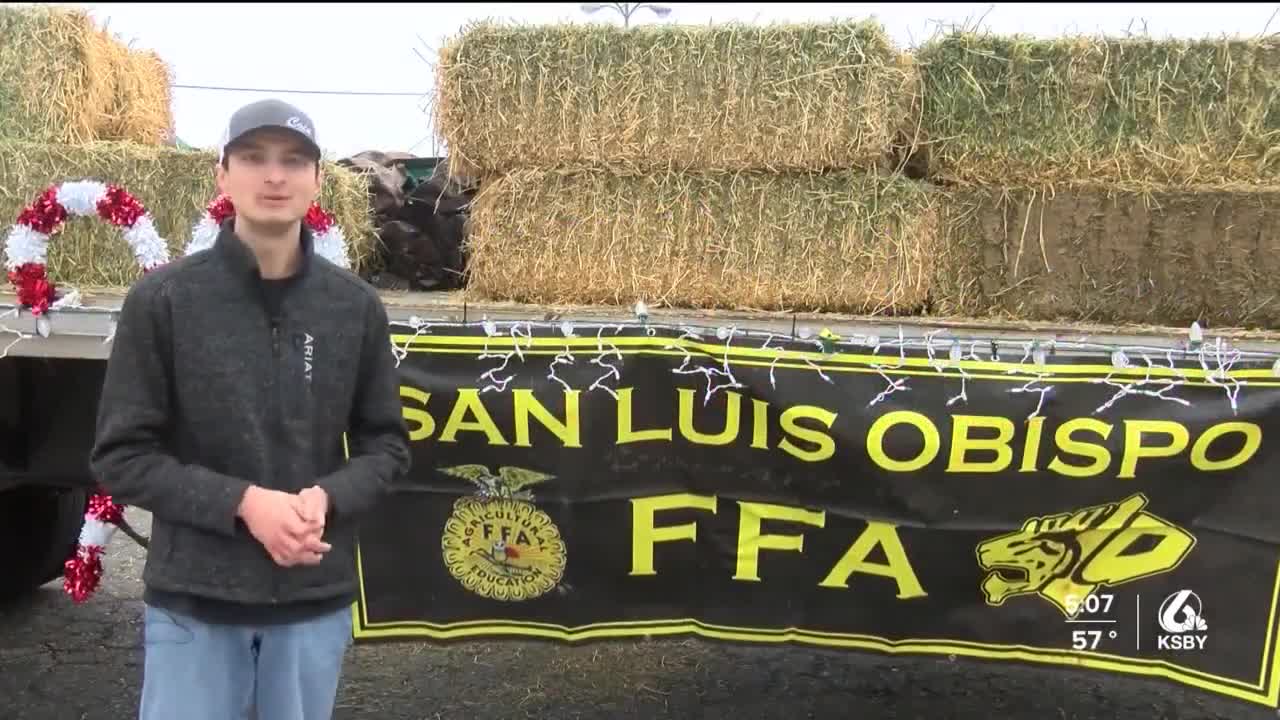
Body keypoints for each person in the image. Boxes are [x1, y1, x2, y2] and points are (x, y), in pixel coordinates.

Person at [89, 98, 412, 720]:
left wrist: (328, 497)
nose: (274, 176)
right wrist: (245, 504)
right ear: (222, 175)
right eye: (254, 158)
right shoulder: (164, 301)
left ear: (318, 181)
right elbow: (122, 456)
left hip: (312, 602)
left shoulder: (353, 307)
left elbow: (386, 448)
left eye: (293, 161)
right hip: (195, 604)